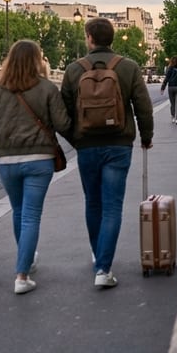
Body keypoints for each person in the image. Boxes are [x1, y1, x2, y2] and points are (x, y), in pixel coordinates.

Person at [0, 40, 72, 295]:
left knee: (19, 212)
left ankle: (26, 259)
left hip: (7, 161)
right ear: (37, 60)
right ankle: (22, 274)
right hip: (39, 160)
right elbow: (63, 124)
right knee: (30, 215)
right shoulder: (47, 88)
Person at [61, 17, 154, 289]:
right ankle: (103, 268)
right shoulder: (128, 67)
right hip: (118, 145)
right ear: (112, 38)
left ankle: (98, 254)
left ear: (89, 38)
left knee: (93, 202)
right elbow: (143, 106)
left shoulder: (74, 70)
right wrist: (146, 137)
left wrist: (75, 138)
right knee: (112, 206)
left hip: (87, 145)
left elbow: (63, 112)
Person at [160, 56, 177, 124]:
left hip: (171, 87)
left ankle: (173, 116)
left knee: (172, 103)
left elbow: (166, 79)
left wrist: (163, 88)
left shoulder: (170, 69)